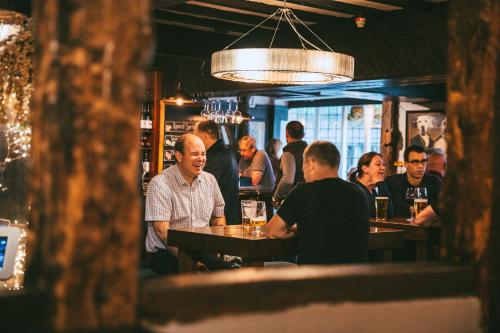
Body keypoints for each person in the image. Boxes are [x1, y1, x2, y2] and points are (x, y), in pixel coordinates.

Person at [263, 141, 369, 265]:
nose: (303, 170)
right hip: (355, 278)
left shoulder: (302, 191)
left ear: (311, 162)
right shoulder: (359, 192)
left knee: (258, 270)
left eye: (303, 164)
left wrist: (297, 228)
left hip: (314, 277)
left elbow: (272, 231)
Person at [144, 134, 229, 275]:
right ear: (179, 155)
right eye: (195, 154)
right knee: (198, 279)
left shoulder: (210, 180)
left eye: (203, 154)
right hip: (166, 251)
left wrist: (218, 248)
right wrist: (191, 263)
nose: (201, 159)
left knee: (230, 273)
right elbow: (162, 232)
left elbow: (218, 216)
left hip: (201, 249)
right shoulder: (160, 183)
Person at [195, 120, 240, 225]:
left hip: (220, 219)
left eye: (197, 136)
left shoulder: (214, 157)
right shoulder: (226, 151)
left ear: (204, 136)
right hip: (230, 214)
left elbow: (205, 189)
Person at [384, 145, 442, 217]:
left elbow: (440, 208)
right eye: (415, 162)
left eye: (423, 161)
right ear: (406, 164)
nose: (420, 166)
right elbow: (394, 207)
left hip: (427, 226)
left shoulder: (434, 182)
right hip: (400, 226)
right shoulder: (393, 181)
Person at [273, 121, 308, 203]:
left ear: (287, 134)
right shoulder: (310, 152)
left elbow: (287, 180)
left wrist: (276, 197)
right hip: (307, 198)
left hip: (292, 201)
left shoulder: (288, 154)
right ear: (303, 135)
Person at [350, 152, 393, 218]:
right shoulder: (355, 190)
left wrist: (381, 184)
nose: (383, 168)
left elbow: (388, 214)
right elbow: (374, 214)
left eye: (383, 165)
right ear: (365, 169)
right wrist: (381, 184)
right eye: (378, 164)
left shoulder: (372, 191)